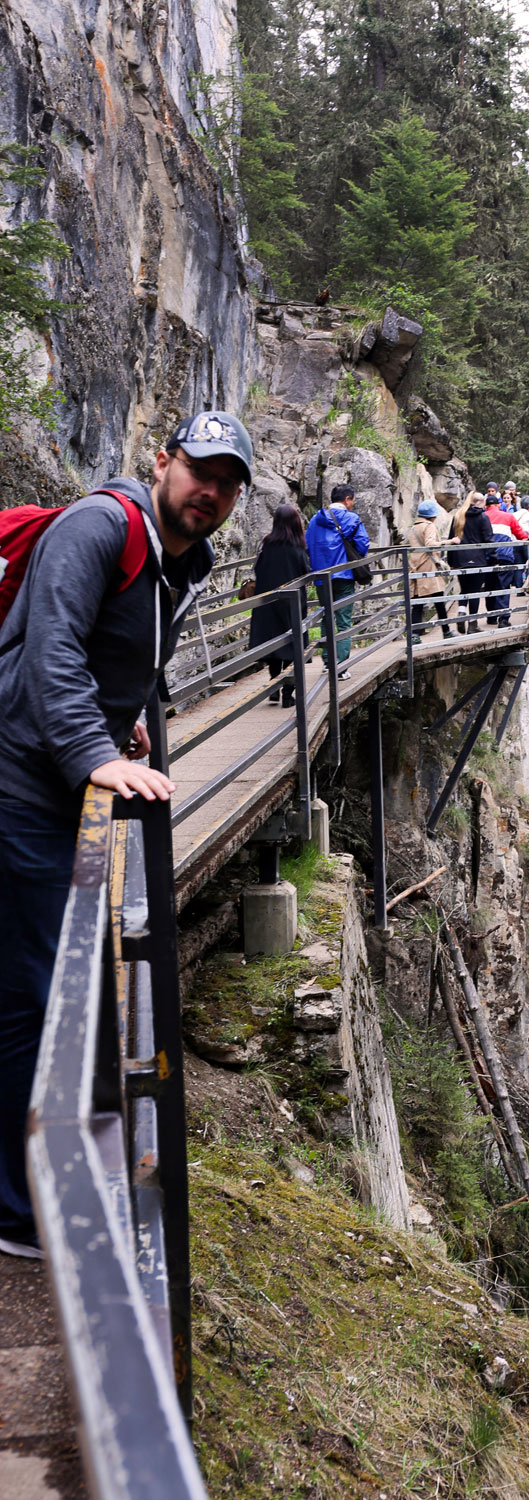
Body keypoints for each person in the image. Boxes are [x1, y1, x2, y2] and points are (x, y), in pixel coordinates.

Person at [0, 409, 253, 1259]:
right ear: (163, 460)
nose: (209, 491)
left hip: (62, 777)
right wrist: (91, 754)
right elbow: (51, 651)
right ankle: (16, 1212)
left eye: (227, 484)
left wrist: (126, 727)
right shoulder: (98, 527)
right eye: (199, 470)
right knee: (35, 997)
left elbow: (131, 662)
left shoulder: (189, 561)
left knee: (52, 986)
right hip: (20, 778)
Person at [305, 484, 370, 682]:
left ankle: (327, 662)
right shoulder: (351, 518)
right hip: (343, 576)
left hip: (321, 577)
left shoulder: (315, 519)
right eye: (353, 501)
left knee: (326, 617)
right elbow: (362, 544)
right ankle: (340, 667)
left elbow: (307, 544)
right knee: (343, 620)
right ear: (347, 499)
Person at [248, 503, 311, 707]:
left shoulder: (266, 544)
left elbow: (257, 569)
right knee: (293, 648)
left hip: (268, 601)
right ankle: (287, 694)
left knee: (274, 645)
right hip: (291, 603)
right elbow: (306, 572)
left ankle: (274, 687)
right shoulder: (298, 547)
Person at [448, 492, 494, 633]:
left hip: (460, 559)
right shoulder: (483, 517)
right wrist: (493, 559)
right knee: (474, 591)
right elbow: (489, 539)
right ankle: (472, 624)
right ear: (480, 502)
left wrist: (451, 560)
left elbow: (451, 539)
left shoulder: (458, 516)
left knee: (464, 589)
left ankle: (462, 613)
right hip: (478, 560)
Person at [407, 499, 453, 639]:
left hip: (416, 567)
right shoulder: (429, 526)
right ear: (432, 515)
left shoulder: (414, 528)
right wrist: (448, 542)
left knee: (417, 604)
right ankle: (446, 632)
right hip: (429, 567)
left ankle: (415, 635)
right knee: (439, 601)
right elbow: (430, 544)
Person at [484, 491, 528, 626]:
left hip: (487, 557)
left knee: (490, 586)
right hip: (505, 555)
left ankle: (491, 616)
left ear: (486, 506)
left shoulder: (482, 517)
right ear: (498, 505)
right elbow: (520, 535)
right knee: (503, 585)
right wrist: (528, 537)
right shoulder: (508, 517)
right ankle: (503, 618)